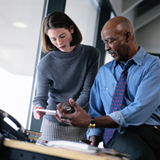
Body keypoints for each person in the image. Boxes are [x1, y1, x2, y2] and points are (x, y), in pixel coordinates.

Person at [55, 16, 160, 160]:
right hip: (117, 132)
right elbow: (96, 111)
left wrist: (91, 121)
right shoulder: (104, 72)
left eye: (110, 41)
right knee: (142, 157)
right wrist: (93, 138)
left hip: (152, 132)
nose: (106, 48)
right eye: (104, 42)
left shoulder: (154, 66)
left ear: (127, 36)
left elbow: (139, 109)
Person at [32, 11, 100, 142]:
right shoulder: (45, 63)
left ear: (71, 29)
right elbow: (40, 97)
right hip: (53, 124)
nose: (59, 42)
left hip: (79, 120)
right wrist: (38, 108)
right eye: (53, 39)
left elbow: (87, 91)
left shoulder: (91, 54)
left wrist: (71, 111)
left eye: (62, 36)